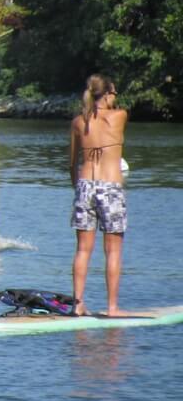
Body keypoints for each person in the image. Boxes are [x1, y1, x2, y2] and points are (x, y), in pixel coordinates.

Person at [69, 74, 128, 316]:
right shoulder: (119, 116)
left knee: (83, 249)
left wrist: (78, 188)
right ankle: (112, 308)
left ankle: (78, 304)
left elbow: (71, 164)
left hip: (85, 185)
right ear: (107, 94)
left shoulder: (77, 122)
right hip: (110, 186)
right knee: (113, 250)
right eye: (114, 93)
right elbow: (113, 111)